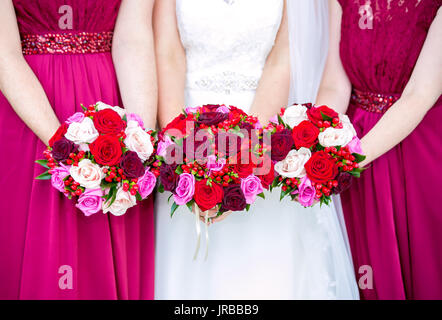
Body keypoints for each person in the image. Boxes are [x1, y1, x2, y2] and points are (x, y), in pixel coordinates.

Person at [153, 0, 359, 299]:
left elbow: (283, 57)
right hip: (187, 125)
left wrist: (246, 159)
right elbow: (168, 54)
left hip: (263, 126)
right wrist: (182, 156)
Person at [0, 0, 157, 299]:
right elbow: (1, 52)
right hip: (26, 109)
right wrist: (63, 147)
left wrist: (138, 143)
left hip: (108, 98)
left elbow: (133, 38)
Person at [316, 0, 442, 299]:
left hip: (418, 145)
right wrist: (314, 144)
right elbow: (335, 85)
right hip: (356, 144)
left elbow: (419, 95)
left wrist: (347, 160)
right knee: (369, 265)